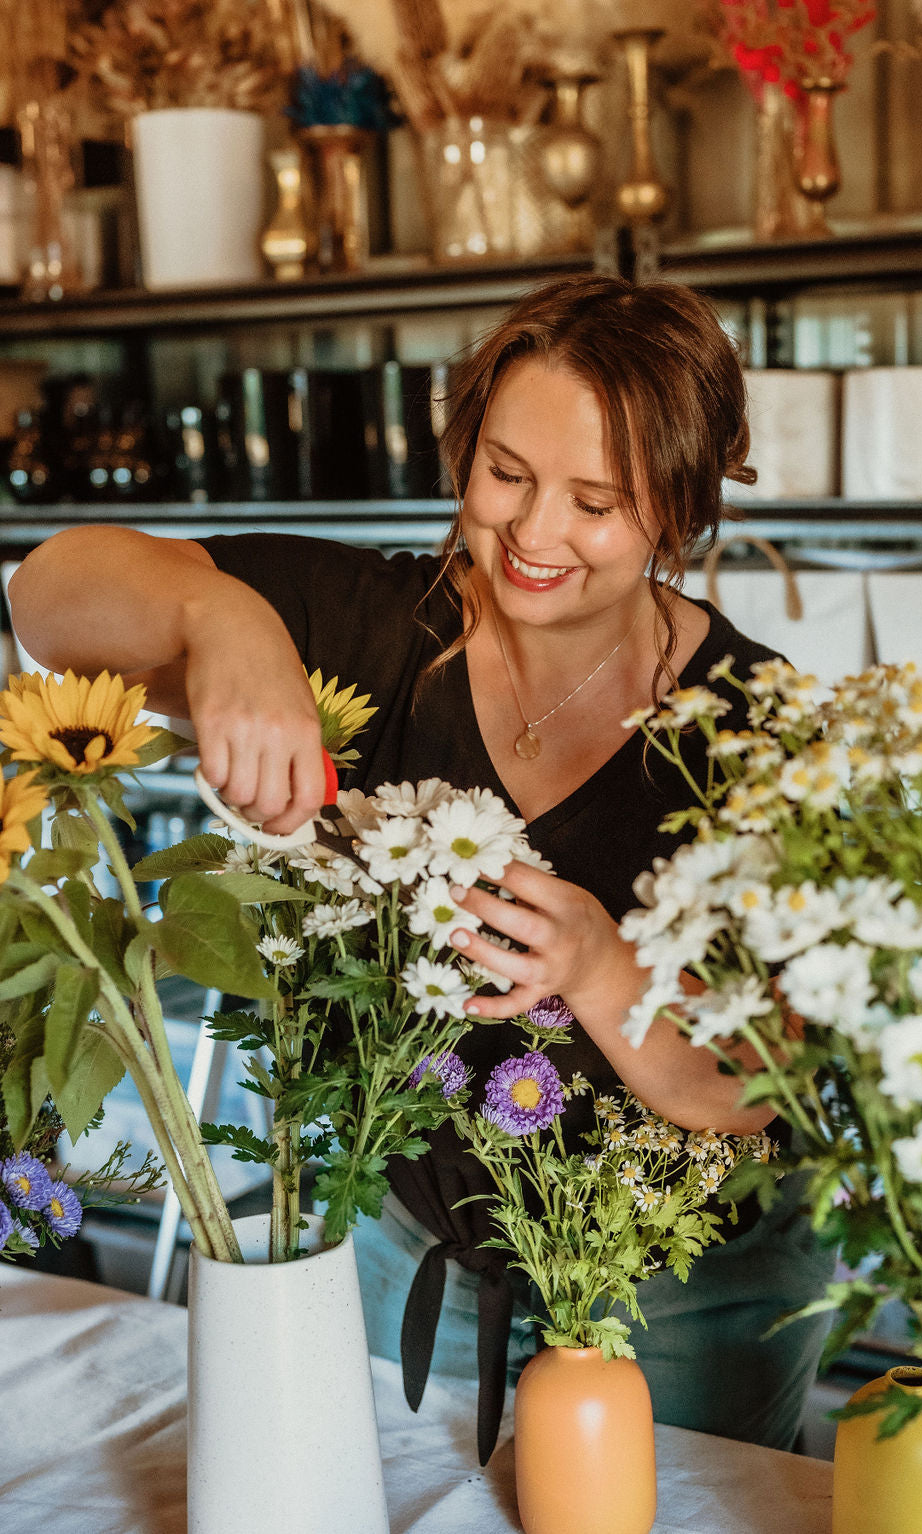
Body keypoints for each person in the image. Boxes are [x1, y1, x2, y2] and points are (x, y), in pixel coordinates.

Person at [10, 273, 833, 1461]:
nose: (534, 536)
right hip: (424, 1249)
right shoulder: (379, 623)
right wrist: (219, 618)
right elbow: (46, 593)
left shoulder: (758, 729)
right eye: (505, 474)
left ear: (680, 509)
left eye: (596, 501)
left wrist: (601, 967)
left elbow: (762, 1084)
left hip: (687, 1293)